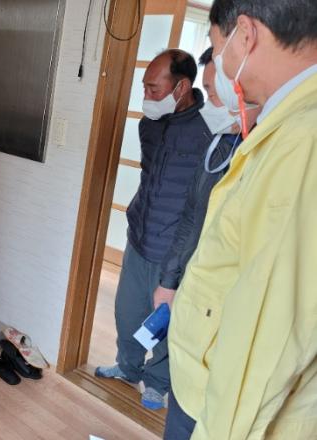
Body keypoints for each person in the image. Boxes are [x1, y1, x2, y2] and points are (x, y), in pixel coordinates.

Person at [166, 0, 317, 438]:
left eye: (218, 47)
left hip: (221, 411)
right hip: (208, 386)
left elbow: (268, 339)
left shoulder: (302, 140)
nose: (221, 64)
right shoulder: (287, 123)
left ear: (246, 35)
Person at [95, 49, 212, 410]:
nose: (146, 96)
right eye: (144, 87)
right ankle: (128, 367)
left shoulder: (210, 130)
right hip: (139, 237)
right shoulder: (149, 124)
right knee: (127, 312)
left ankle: (158, 383)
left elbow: (201, 203)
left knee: (164, 323)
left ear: (181, 87)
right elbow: (149, 177)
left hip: (175, 250)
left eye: (154, 89)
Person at [152, 46, 261, 311]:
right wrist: (169, 281)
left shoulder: (274, 152)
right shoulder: (219, 146)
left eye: (212, 94)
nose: (207, 106)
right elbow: (192, 215)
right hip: (195, 281)